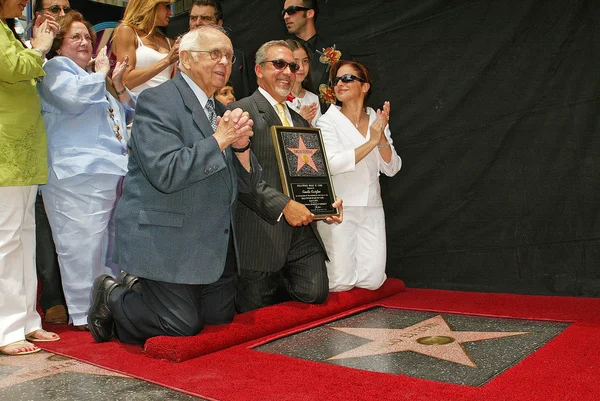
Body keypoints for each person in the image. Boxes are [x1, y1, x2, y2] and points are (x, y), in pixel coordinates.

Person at [87, 26, 269, 345]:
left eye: (228, 56)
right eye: (214, 54)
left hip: (210, 243)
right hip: (166, 239)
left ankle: (146, 289)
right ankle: (113, 295)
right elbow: (166, 172)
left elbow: (248, 186)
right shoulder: (157, 102)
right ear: (184, 59)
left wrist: (240, 149)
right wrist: (221, 139)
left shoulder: (222, 111)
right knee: (181, 324)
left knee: (219, 319)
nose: (224, 62)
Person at [37, 11, 135, 330]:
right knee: (78, 245)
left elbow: (124, 116)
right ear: (58, 44)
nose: (83, 42)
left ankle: (105, 307)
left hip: (106, 172)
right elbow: (73, 99)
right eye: (75, 37)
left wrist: (115, 83)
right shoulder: (55, 68)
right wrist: (101, 74)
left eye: (87, 38)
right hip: (73, 174)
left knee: (103, 248)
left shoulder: (93, 77)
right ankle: (82, 313)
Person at [230, 40, 343, 313]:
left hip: (301, 232)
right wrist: (284, 206)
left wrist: (325, 205)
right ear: (258, 70)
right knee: (254, 311)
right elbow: (241, 177)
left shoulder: (301, 122)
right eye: (278, 64)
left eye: (292, 66)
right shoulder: (239, 112)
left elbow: (309, 175)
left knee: (315, 293)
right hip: (260, 232)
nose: (287, 72)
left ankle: (274, 279)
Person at [0, 0, 60, 356]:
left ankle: (25, 320)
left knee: (23, 237)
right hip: (6, 146)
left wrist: (34, 47)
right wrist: (38, 48)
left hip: (23, 145)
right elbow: (11, 66)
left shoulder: (8, 28)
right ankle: (6, 327)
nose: (25, 1)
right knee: (7, 240)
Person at [316, 60, 401, 291]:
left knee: (373, 281)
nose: (339, 84)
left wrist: (381, 137)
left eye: (347, 78)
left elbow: (392, 168)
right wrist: (372, 140)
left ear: (365, 86)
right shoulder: (327, 121)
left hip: (372, 206)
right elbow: (332, 164)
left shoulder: (376, 118)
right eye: (336, 80)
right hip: (341, 209)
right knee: (341, 282)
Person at [31, 0, 72, 326]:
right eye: (54, 9)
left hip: (77, 168)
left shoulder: (85, 68)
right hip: (41, 160)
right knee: (42, 223)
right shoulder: (36, 59)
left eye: (65, 9)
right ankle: (53, 297)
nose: (61, 15)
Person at [111, 0, 179, 97]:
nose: (171, 12)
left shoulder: (169, 42)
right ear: (150, 5)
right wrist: (166, 61)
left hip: (167, 105)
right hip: (138, 106)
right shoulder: (127, 31)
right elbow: (125, 80)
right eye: (167, 6)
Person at [188, 0, 252, 99]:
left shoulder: (237, 57)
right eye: (193, 18)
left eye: (205, 18)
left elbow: (245, 96)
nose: (197, 23)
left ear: (219, 23)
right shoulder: (180, 57)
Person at [282, 0, 341, 108]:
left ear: (309, 13)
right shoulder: (281, 52)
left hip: (332, 119)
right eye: (284, 12)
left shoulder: (336, 51)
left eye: (291, 11)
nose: (286, 16)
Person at [285, 39, 320, 127]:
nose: (301, 68)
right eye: (295, 62)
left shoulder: (313, 99)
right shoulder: (278, 97)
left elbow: (321, 134)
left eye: (305, 61)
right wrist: (300, 121)